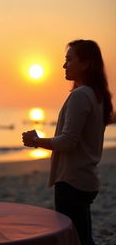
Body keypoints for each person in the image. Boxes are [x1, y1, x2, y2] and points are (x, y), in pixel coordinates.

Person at [22, 39, 114, 245]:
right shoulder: (96, 94)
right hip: (86, 178)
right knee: (83, 237)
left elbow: (67, 142)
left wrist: (35, 140)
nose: (64, 65)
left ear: (86, 64)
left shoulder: (81, 96)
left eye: (69, 60)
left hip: (73, 181)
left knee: (74, 239)